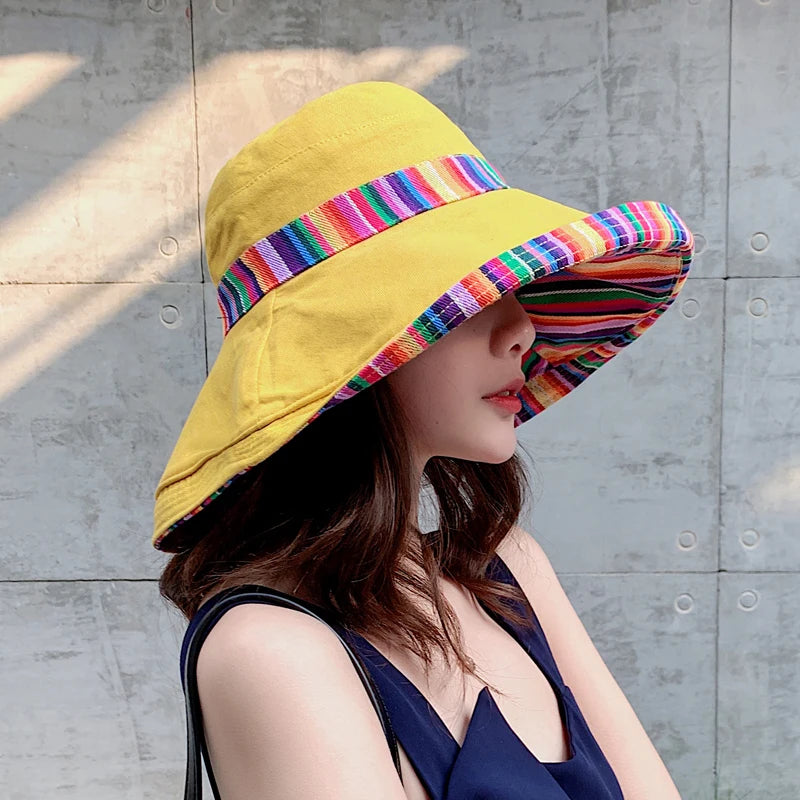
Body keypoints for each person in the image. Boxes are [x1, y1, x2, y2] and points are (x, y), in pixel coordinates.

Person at [152, 81, 693, 799]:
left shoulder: (509, 573)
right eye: (470, 297)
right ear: (348, 351)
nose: (523, 330)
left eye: (514, 289)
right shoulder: (272, 650)